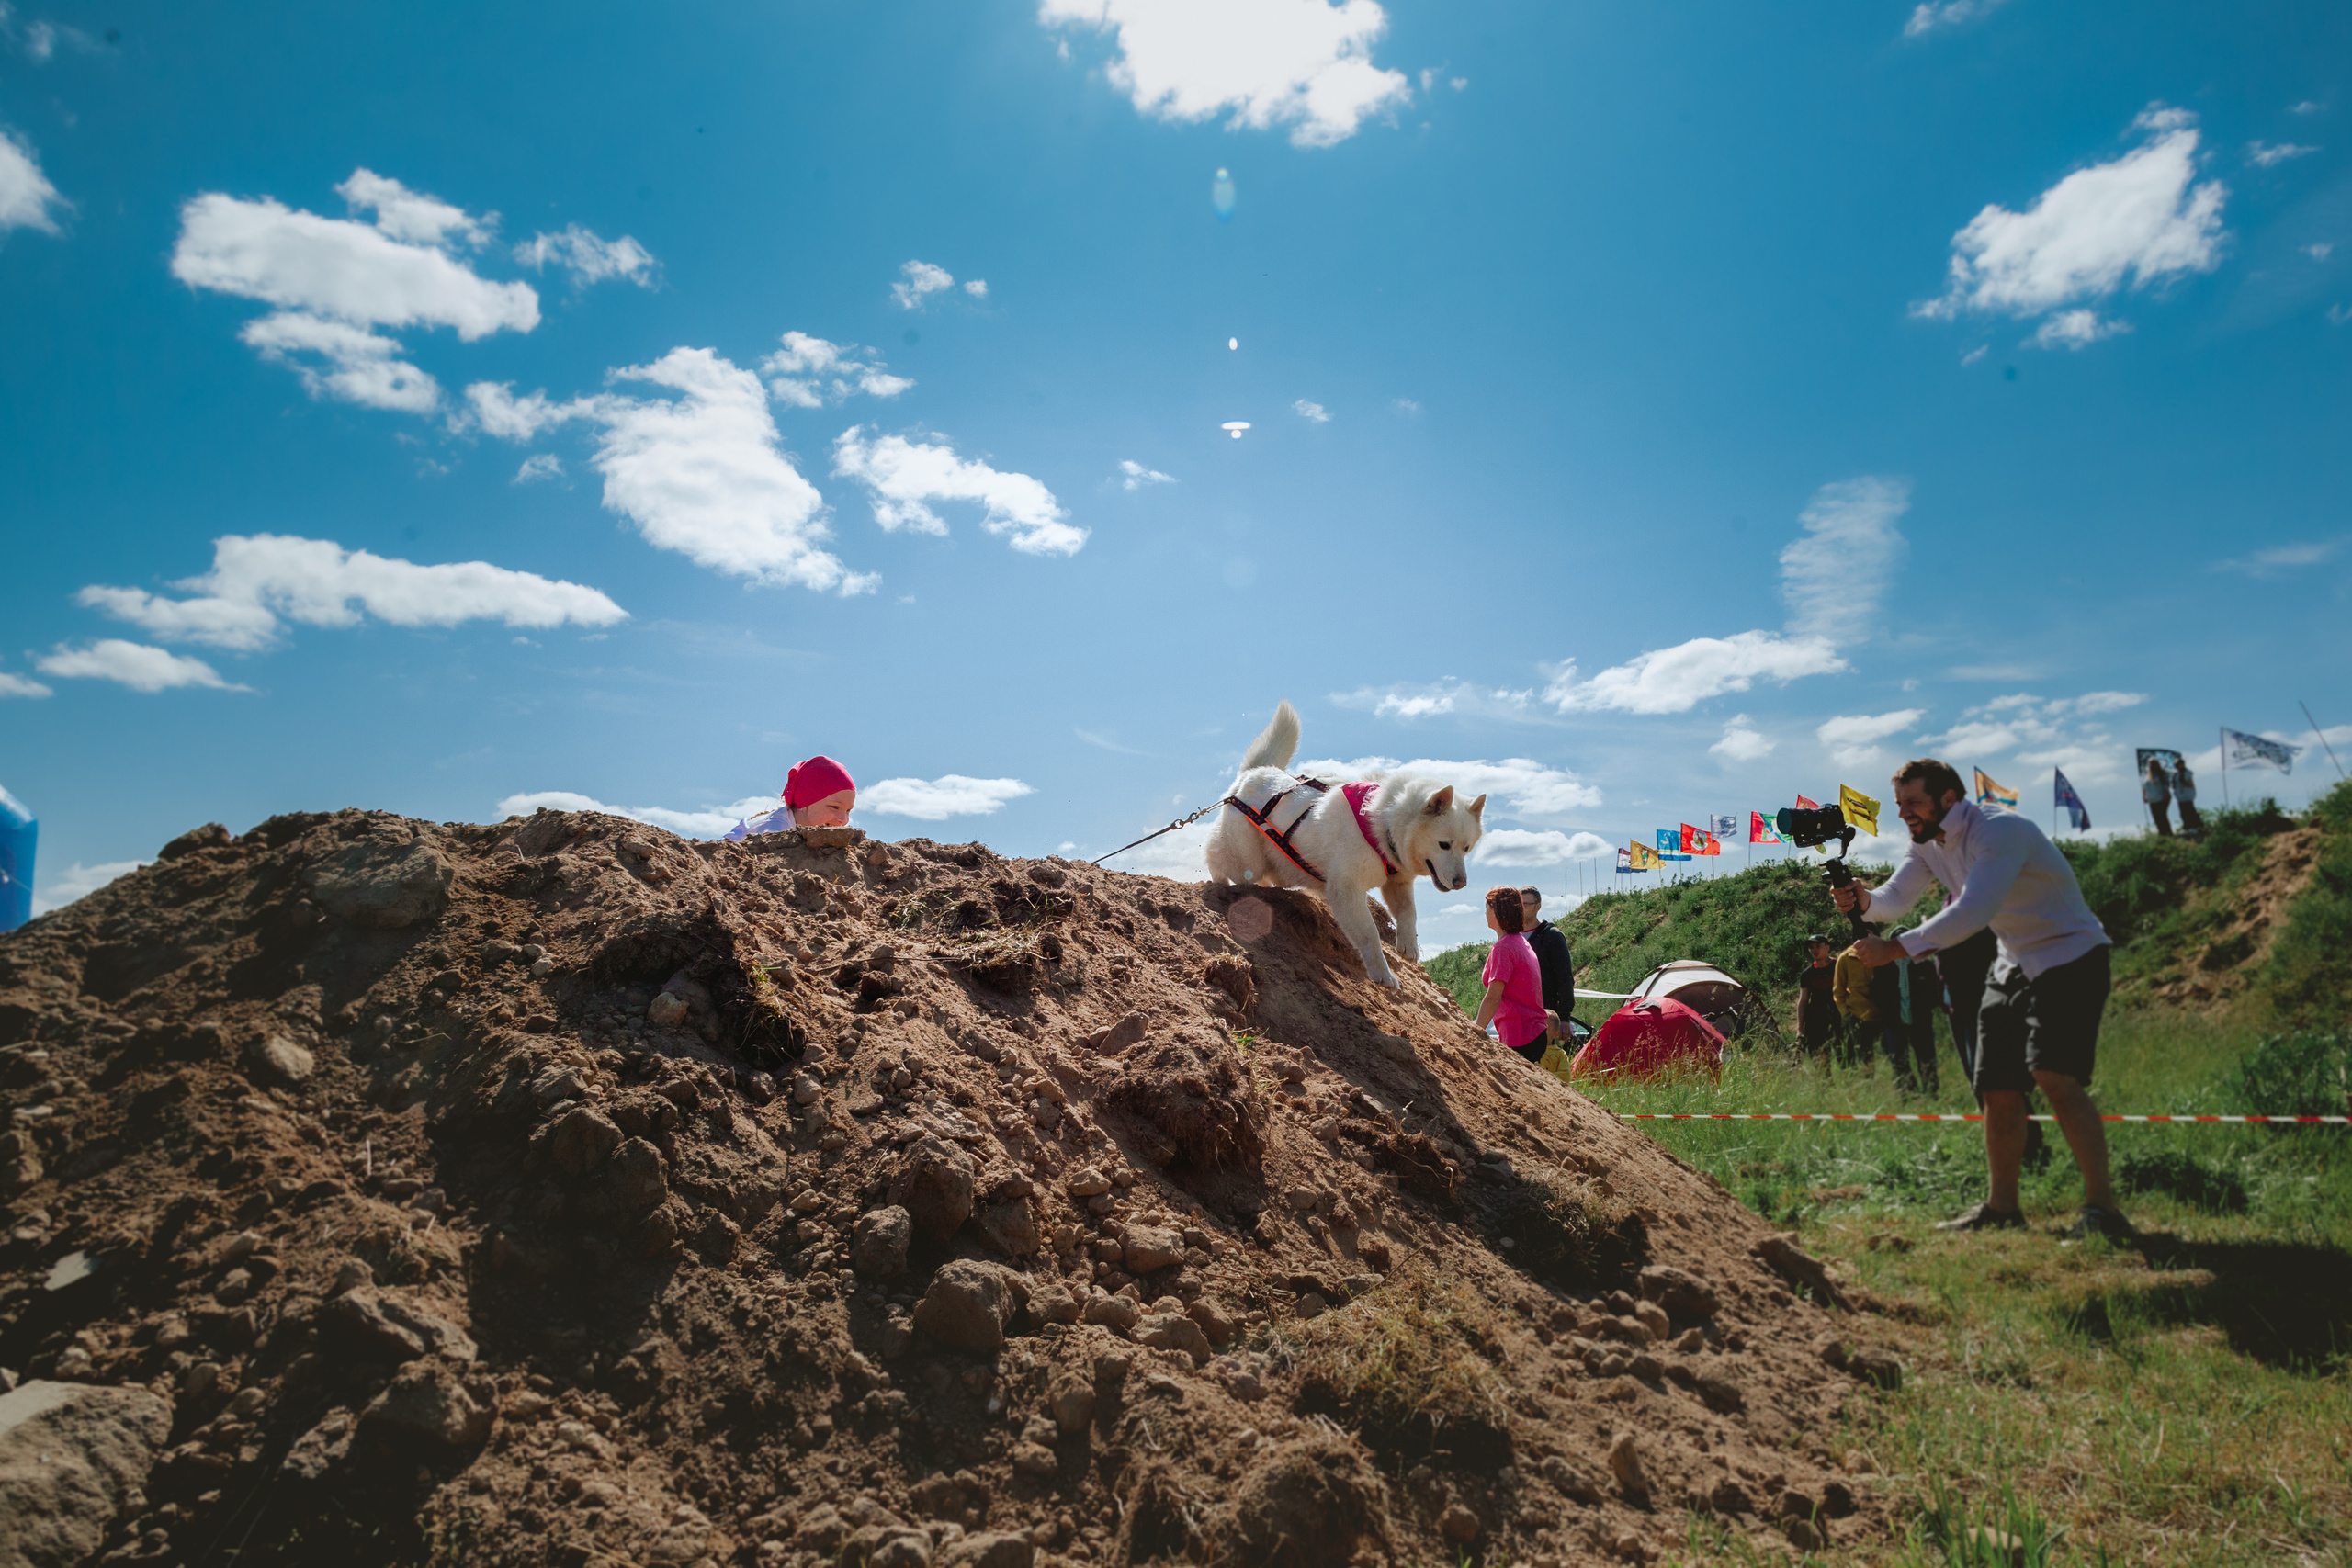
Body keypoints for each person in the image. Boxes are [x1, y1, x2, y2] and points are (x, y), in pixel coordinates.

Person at [1837, 757, 2127, 1239]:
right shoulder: (1926, 842)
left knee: (2054, 1076)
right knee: (1994, 1084)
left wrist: (1896, 949)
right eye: (1899, 804)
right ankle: (2002, 1208)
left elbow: (1975, 909)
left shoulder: (1999, 829)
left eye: (1914, 802)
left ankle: (2103, 1211)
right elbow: (1896, 900)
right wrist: (1862, 898)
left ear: (1948, 798)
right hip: (2013, 962)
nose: (1904, 812)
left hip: (2070, 955)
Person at [1475, 886, 1555, 1063]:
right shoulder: (1520, 942)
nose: (1485, 913)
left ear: (1497, 911)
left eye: (1487, 907)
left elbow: (1493, 997)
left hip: (1521, 1035)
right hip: (1533, 1032)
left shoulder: (1503, 948)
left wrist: (1474, 1032)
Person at [725, 755, 857, 840]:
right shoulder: (775, 830)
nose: (843, 820)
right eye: (835, 807)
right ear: (806, 801)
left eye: (848, 810)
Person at [1517, 886, 1577, 1050]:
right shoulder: (1511, 937)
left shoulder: (1551, 936)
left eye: (1526, 904)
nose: (1521, 909)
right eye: (1517, 904)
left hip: (1546, 1016)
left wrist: (1564, 1018)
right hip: (1519, 1016)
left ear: (1538, 906)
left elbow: (1565, 979)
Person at [1832, 937, 1882, 1067]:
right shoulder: (1846, 958)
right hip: (1857, 1017)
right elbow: (1838, 991)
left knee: (1885, 1058)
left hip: (1882, 1015)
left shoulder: (1882, 954)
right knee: (1864, 1059)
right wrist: (1847, 1015)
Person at [1794, 936, 1841, 1059]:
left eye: (1818, 946)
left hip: (1839, 1017)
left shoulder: (1840, 966)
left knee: (1843, 1056)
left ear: (1827, 948)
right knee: (1818, 1058)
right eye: (1811, 947)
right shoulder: (1807, 974)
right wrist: (1800, 1028)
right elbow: (1803, 1000)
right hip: (1816, 1020)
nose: (1814, 950)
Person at [2142, 757, 2173, 838]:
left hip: (2162, 798)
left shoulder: (2161, 773)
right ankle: (2162, 834)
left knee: (2162, 816)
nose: (2152, 765)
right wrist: (2144, 796)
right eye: (2150, 763)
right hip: (2152, 800)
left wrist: (2166, 795)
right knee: (2156, 818)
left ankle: (2168, 834)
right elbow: (2144, 787)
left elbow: (2166, 785)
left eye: (2154, 763)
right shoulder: (2147, 775)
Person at [2172, 759, 2203, 838]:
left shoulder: (2187, 772)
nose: (2178, 766)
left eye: (2179, 764)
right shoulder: (2176, 774)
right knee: (2183, 812)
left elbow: (2190, 783)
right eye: (2176, 765)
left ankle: (2195, 826)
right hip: (2180, 796)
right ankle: (2187, 827)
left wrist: (2183, 781)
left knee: (2189, 810)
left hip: (2187, 794)